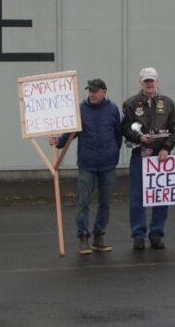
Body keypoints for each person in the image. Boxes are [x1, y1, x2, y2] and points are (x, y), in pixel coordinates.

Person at [50, 78, 122, 255]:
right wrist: (58, 142)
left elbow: (118, 135)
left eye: (95, 91)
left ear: (104, 92)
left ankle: (99, 236)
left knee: (105, 203)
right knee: (83, 202)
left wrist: (113, 153)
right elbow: (70, 133)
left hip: (108, 164)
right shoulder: (80, 110)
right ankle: (83, 237)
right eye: (90, 90)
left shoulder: (113, 110)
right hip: (87, 164)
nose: (92, 94)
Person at [121, 67, 175, 250]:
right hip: (140, 155)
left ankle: (156, 234)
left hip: (161, 158)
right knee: (138, 197)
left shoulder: (168, 103)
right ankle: (138, 235)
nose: (149, 84)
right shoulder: (130, 104)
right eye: (146, 81)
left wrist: (165, 148)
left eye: (152, 80)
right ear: (141, 83)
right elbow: (124, 128)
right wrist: (138, 138)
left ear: (157, 82)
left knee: (161, 196)